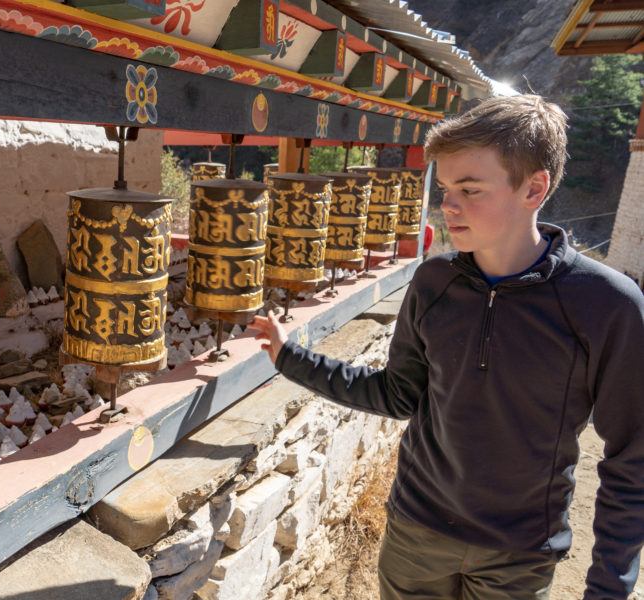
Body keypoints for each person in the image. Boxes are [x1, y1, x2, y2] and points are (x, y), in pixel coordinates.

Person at [250, 95, 644, 599]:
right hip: (416, 535)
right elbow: (397, 395)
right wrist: (290, 358)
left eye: (470, 189)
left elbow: (630, 457)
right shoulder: (434, 282)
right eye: (445, 188)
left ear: (534, 187)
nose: (448, 205)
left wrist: (609, 588)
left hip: (518, 555)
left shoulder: (605, 305)